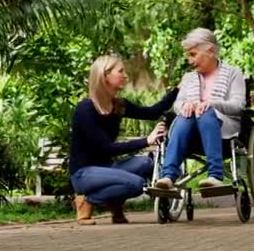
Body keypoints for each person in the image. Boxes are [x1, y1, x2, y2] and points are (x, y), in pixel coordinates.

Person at [69, 55, 178, 225]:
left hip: (107, 168)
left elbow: (152, 113)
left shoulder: (118, 105)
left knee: (146, 164)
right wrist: (146, 140)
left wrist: (178, 90)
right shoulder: (86, 109)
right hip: (84, 173)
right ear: (104, 76)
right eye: (120, 71)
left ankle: (115, 206)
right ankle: (87, 200)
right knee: (136, 184)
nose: (125, 75)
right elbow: (107, 148)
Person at [155, 28, 245, 189]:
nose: (189, 60)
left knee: (205, 112)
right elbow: (177, 104)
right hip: (191, 134)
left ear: (210, 51)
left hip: (223, 132)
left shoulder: (233, 73)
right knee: (185, 114)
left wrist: (212, 103)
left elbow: (238, 106)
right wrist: (185, 105)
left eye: (193, 54)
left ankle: (215, 175)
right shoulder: (189, 78)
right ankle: (168, 176)